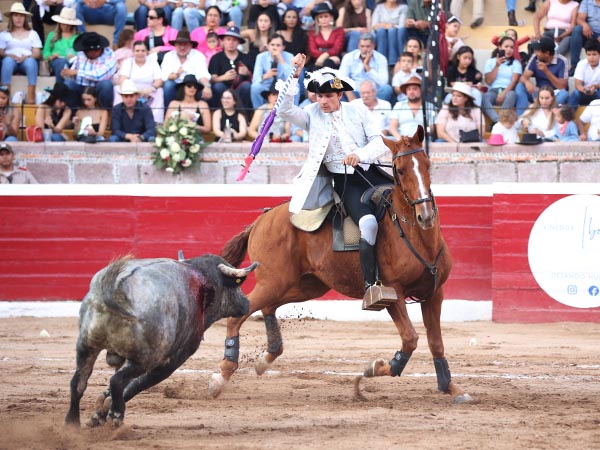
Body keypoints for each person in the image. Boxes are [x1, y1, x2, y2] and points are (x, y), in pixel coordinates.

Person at [278, 53, 392, 302]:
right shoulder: (310, 114)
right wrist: (294, 75)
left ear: (340, 95)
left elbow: (378, 140)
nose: (323, 101)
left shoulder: (358, 110)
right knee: (368, 223)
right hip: (345, 182)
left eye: (329, 96)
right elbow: (284, 109)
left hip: (372, 173)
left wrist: (359, 154)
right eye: (320, 96)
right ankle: (372, 285)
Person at [61, 32, 117, 110]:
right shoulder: (81, 53)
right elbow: (73, 71)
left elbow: (100, 75)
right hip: (81, 87)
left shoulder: (110, 55)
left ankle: (105, 113)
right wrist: (67, 73)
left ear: (99, 50)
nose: (87, 53)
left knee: (106, 85)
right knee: (68, 83)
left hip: (98, 89)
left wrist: (77, 72)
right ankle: (72, 114)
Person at [0, 3, 42, 104]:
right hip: (10, 59)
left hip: (26, 59)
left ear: (25, 18)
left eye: (21, 16)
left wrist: (26, 57)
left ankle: (31, 96)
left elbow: (37, 52)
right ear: (11, 18)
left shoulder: (33, 33)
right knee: (7, 62)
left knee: (31, 62)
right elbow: (0, 50)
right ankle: (5, 95)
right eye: (16, 15)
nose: (18, 19)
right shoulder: (4, 34)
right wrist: (8, 55)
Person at [515, 36, 569, 115]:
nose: (536, 53)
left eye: (538, 51)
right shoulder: (535, 57)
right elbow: (523, 77)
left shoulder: (562, 61)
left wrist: (546, 71)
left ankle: (544, 115)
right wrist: (527, 82)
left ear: (547, 53)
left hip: (554, 94)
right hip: (539, 93)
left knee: (564, 94)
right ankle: (521, 118)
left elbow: (562, 87)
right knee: (520, 86)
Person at [161, 31, 212, 110]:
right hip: (175, 87)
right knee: (168, 85)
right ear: (175, 45)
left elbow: (202, 74)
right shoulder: (168, 56)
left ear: (191, 45)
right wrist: (175, 75)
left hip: (193, 87)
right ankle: (168, 113)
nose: (182, 47)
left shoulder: (198, 56)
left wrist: (206, 86)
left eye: (185, 44)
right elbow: (164, 76)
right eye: (179, 44)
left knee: (204, 89)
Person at [115, 40, 164, 123]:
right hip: (131, 90)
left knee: (159, 91)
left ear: (147, 52)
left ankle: (156, 121)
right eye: (137, 51)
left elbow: (159, 80)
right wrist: (136, 91)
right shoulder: (128, 62)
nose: (140, 53)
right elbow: (123, 79)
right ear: (133, 52)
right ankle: (119, 118)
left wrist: (152, 88)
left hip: (148, 90)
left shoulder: (152, 62)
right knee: (116, 89)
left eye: (143, 51)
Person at [208, 26, 253, 110]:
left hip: (240, 89)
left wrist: (247, 73)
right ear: (223, 41)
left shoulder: (246, 57)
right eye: (228, 39)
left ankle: (244, 114)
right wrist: (224, 77)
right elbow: (212, 79)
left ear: (238, 42)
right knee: (218, 86)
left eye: (234, 40)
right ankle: (219, 113)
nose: (231, 42)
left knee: (247, 86)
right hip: (223, 89)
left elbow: (255, 78)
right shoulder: (216, 58)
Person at [339, 32, 393, 102]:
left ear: (373, 46)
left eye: (368, 46)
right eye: (362, 46)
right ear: (358, 46)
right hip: (355, 92)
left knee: (387, 89)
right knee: (337, 90)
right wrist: (350, 95)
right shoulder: (349, 57)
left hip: (374, 94)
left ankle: (373, 107)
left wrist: (368, 67)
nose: (364, 50)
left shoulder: (381, 58)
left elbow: (383, 82)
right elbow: (341, 79)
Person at [481, 36, 522, 124]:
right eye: (506, 47)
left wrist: (504, 93)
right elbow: (488, 81)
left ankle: (501, 119)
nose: (509, 49)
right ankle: (498, 121)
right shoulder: (490, 62)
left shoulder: (516, 63)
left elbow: (514, 81)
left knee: (512, 95)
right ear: (500, 47)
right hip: (493, 90)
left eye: (511, 47)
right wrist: (497, 66)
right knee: (484, 97)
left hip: (508, 90)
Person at [251, 34, 294, 109]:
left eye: (278, 45)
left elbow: (292, 78)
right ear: (267, 46)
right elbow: (255, 79)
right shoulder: (261, 57)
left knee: (295, 87)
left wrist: (282, 60)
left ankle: (292, 115)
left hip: (282, 86)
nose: (275, 48)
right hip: (267, 85)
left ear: (283, 47)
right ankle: (258, 112)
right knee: (255, 87)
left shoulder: (290, 56)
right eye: (272, 45)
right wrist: (266, 76)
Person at [388, 75, 436, 139]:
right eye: (409, 89)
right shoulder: (399, 105)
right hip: (402, 142)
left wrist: (418, 139)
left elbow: (432, 127)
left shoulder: (429, 106)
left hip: (423, 142)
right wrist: (400, 139)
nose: (411, 92)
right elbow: (392, 128)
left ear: (421, 91)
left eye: (414, 89)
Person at [42, 7, 80, 84]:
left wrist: (74, 56)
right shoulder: (52, 35)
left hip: (74, 62)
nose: (65, 26)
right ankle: (60, 87)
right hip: (57, 61)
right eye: (63, 24)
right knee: (61, 62)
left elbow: (82, 53)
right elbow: (45, 52)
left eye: (67, 24)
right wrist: (50, 56)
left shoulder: (78, 37)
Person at [307, 1, 345, 70]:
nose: (323, 19)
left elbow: (337, 48)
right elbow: (312, 50)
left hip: (334, 59)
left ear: (331, 18)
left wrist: (325, 56)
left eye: (326, 16)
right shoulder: (312, 32)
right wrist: (323, 57)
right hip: (317, 59)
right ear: (317, 20)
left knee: (329, 63)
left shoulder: (339, 31)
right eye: (321, 17)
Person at [372, 0, 407, 67]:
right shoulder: (379, 7)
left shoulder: (403, 7)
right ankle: (381, 61)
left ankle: (393, 61)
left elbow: (401, 25)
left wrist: (390, 26)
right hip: (381, 33)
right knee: (381, 31)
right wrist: (385, 26)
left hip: (396, 33)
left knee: (392, 31)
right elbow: (374, 25)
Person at [568, 0, 600, 70]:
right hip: (590, 33)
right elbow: (580, 19)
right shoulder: (587, 1)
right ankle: (575, 66)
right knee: (577, 29)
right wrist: (584, 24)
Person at [568, 39, 600, 107]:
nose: (591, 57)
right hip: (584, 92)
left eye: (594, 54)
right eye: (589, 54)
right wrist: (585, 90)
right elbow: (578, 84)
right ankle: (568, 116)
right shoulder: (581, 64)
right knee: (576, 93)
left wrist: (595, 86)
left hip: (598, 92)